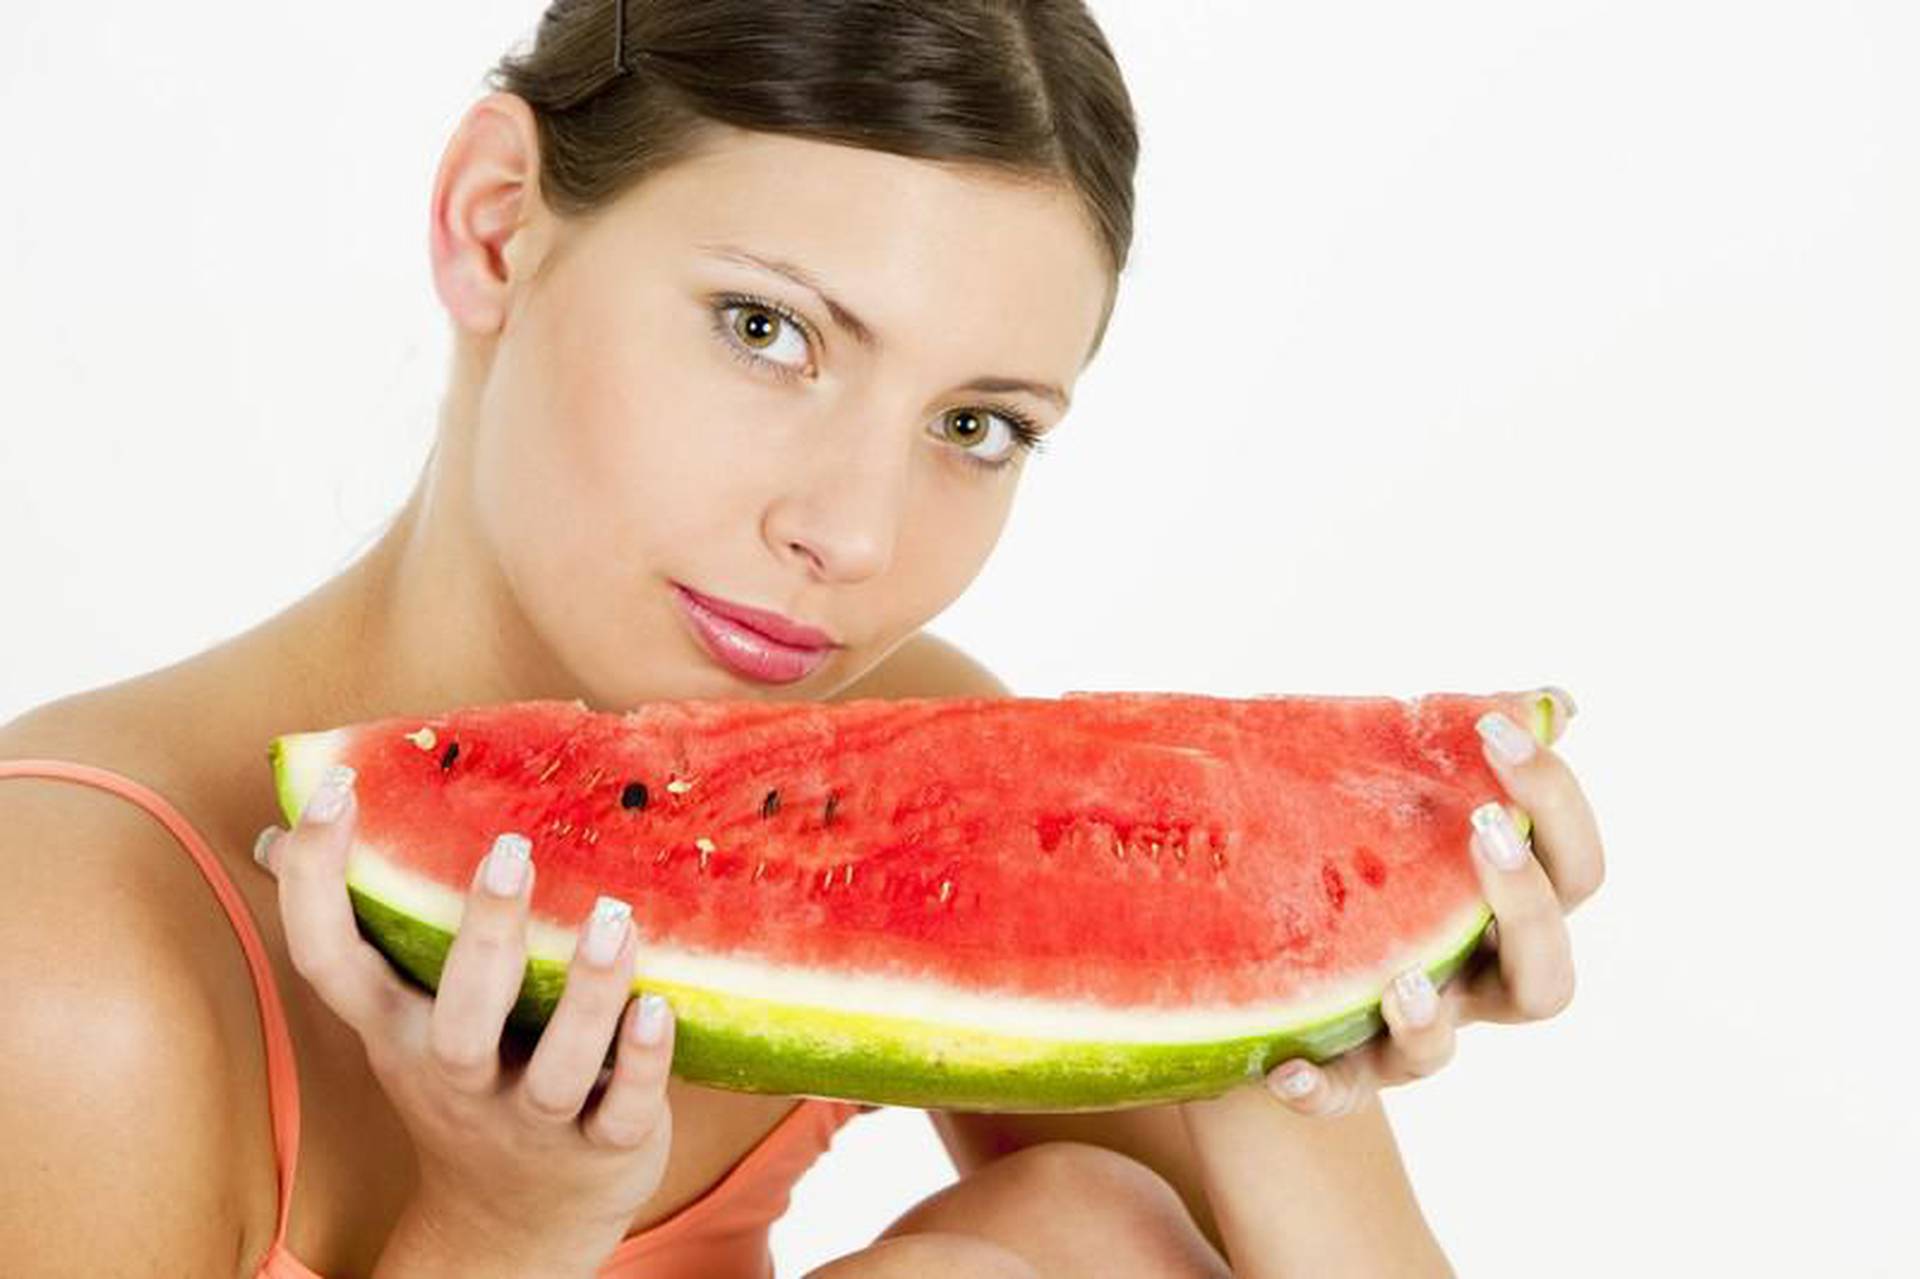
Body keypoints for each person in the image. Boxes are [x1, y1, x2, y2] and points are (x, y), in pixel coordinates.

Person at [1, 1, 1606, 1275]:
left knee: (1092, 1243)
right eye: (768, 332)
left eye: (977, 425)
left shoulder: (892, 746)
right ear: (495, 228)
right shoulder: (68, 970)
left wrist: (1282, 999)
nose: (851, 534)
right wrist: (504, 1230)